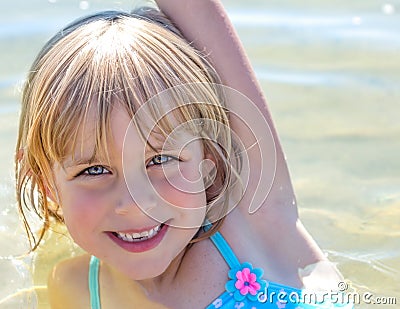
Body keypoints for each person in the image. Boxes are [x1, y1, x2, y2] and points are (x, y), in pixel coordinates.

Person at [15, 1, 353, 308]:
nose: (135, 202)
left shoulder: (254, 221)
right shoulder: (76, 291)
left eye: (160, 160)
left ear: (210, 160)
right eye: (94, 170)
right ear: (45, 182)